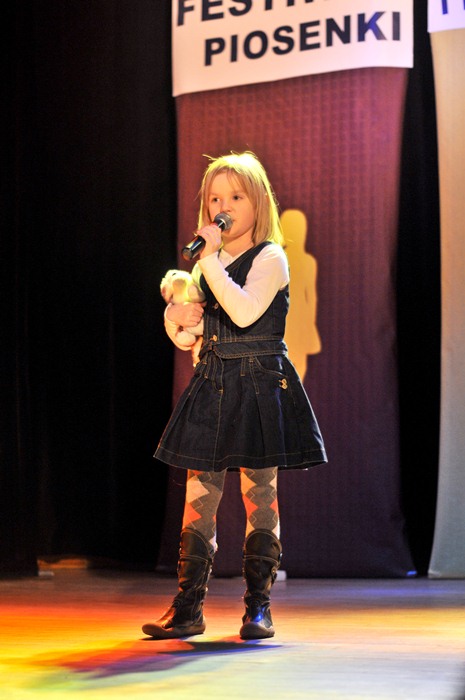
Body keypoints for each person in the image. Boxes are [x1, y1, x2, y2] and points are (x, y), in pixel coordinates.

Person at [142, 152, 327, 641]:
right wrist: (177, 321)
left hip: (259, 382)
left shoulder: (270, 257)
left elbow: (244, 312)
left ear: (258, 202)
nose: (222, 207)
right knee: (199, 493)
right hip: (213, 380)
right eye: (214, 199)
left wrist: (207, 262)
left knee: (259, 490)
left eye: (235, 197)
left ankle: (258, 607)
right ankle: (187, 607)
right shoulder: (210, 264)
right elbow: (196, 331)